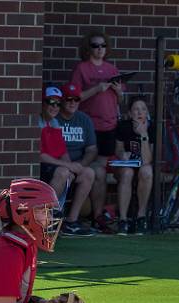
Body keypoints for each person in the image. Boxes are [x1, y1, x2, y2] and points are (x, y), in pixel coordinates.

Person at [70, 31, 124, 232]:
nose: (99, 49)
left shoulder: (112, 69)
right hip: (90, 127)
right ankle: (92, 214)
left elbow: (120, 101)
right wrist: (96, 88)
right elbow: (74, 98)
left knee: (101, 172)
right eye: (95, 45)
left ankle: (98, 216)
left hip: (109, 126)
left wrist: (118, 92)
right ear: (88, 47)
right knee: (95, 171)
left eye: (103, 45)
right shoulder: (82, 68)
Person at [57, 82, 114, 234]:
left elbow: (91, 150)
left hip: (80, 162)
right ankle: (53, 219)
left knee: (95, 171)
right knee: (66, 172)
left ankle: (85, 219)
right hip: (59, 163)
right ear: (61, 100)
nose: (72, 103)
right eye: (68, 99)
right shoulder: (54, 118)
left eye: (76, 99)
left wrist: (81, 165)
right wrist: (70, 166)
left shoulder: (84, 119)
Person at [38, 86, 95, 236]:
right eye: (51, 102)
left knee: (88, 172)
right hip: (38, 167)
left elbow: (62, 152)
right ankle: (45, 219)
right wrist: (68, 166)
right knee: (63, 172)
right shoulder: (38, 122)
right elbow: (40, 155)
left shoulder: (55, 123)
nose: (54, 107)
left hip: (55, 166)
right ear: (42, 103)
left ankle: (71, 222)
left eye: (57, 103)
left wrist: (73, 168)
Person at [113, 96, 153, 235]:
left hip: (143, 165)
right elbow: (118, 149)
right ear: (130, 113)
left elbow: (147, 159)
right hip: (126, 166)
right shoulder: (123, 126)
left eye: (143, 109)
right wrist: (122, 154)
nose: (140, 112)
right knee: (127, 173)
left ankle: (141, 217)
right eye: (136, 109)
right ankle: (123, 220)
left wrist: (143, 134)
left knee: (147, 171)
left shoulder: (152, 127)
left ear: (147, 113)